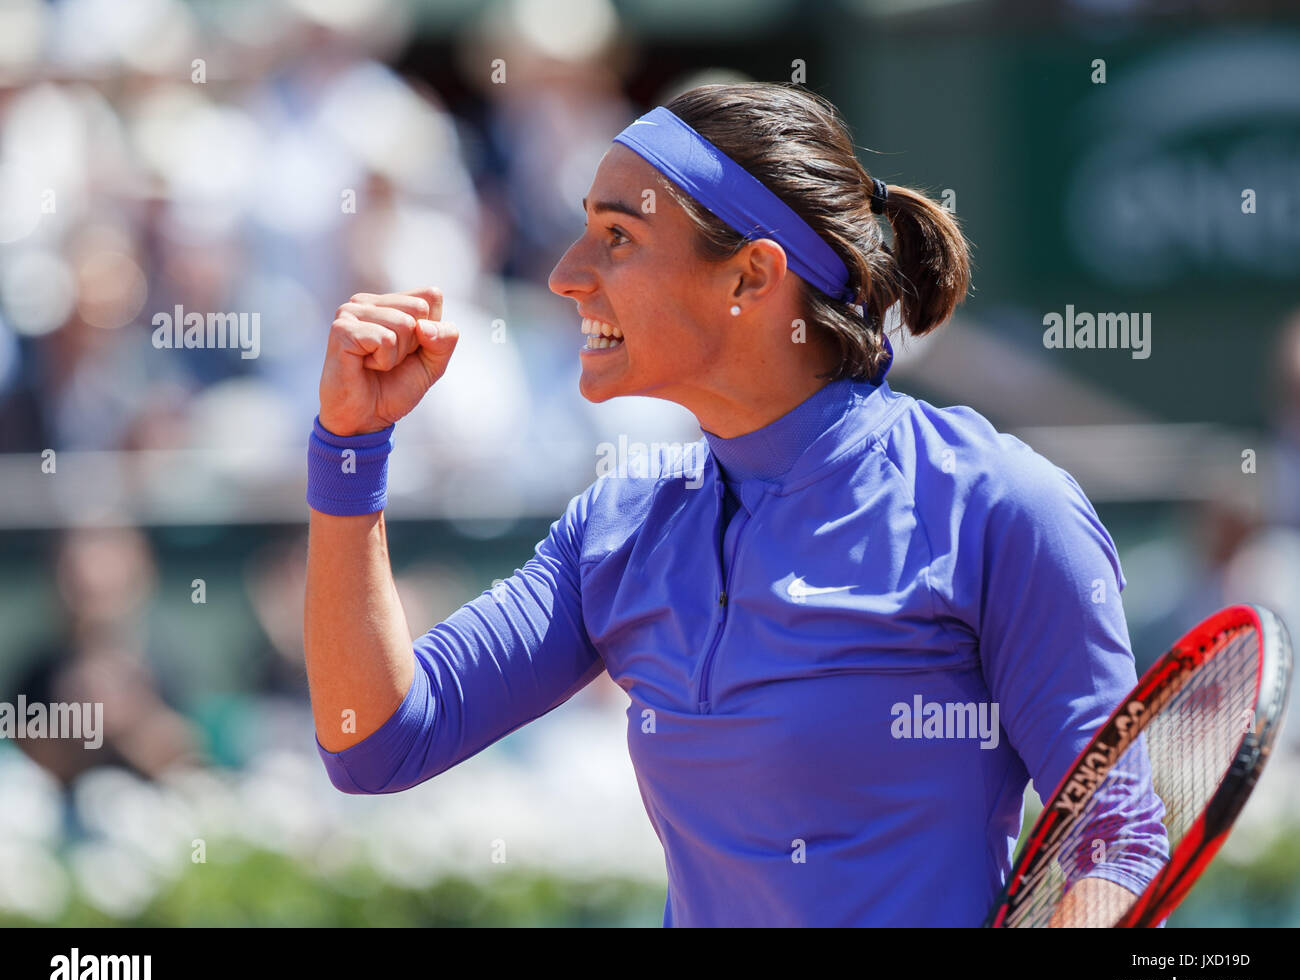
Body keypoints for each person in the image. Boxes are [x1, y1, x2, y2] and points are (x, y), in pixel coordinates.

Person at [303, 82, 1166, 927]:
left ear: (751, 277)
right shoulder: (616, 531)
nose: (566, 275)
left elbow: (1114, 835)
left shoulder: (998, 506)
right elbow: (374, 740)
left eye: (616, 237)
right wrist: (350, 449)